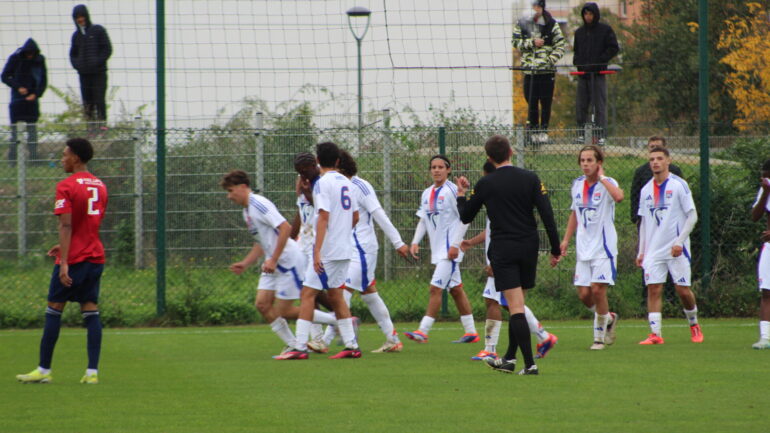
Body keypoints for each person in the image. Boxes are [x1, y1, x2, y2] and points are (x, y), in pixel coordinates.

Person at [457, 135, 561, 375]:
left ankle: (530, 365)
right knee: (519, 305)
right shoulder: (531, 178)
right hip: (529, 246)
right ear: (511, 152)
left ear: (490, 158)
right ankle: (510, 359)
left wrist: (462, 194)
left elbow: (465, 216)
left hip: (504, 249)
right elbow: (547, 214)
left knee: (515, 308)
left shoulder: (486, 183)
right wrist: (555, 249)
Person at [16, 138, 107, 384]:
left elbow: (66, 224)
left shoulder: (66, 185)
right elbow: (89, 223)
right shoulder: (100, 185)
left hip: (75, 258)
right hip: (95, 255)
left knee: (54, 308)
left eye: (65, 154)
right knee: (90, 308)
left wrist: (64, 260)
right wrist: (66, 245)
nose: (62, 158)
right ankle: (92, 373)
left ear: (76, 157)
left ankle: (44, 370)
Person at [221, 170, 337, 358]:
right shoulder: (246, 211)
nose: (229, 196)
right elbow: (261, 241)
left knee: (284, 310)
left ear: (243, 187)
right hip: (273, 264)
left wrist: (273, 259)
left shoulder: (259, 203)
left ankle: (337, 320)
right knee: (262, 305)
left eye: (231, 190)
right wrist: (246, 263)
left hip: (288, 261)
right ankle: (293, 344)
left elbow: (285, 227)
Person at [277, 142, 361, 360]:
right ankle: (351, 345)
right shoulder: (347, 183)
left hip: (328, 251)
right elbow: (355, 217)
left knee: (307, 294)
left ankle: (300, 346)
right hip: (344, 248)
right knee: (336, 296)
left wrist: (317, 252)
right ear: (338, 161)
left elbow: (323, 217)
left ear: (318, 161)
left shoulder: (322, 184)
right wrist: (341, 234)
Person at [336, 150, 410, 353]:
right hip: (347, 249)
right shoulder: (337, 186)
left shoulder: (360, 186)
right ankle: (393, 339)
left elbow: (379, 214)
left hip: (362, 249)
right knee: (369, 293)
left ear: (340, 166)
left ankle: (325, 341)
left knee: (342, 292)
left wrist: (398, 242)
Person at [404, 155, 477, 344]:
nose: (436, 170)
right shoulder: (426, 192)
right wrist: (414, 241)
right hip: (438, 250)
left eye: (440, 167)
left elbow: (465, 218)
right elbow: (423, 219)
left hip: (450, 251)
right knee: (456, 290)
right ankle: (471, 332)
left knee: (435, 288)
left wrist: (455, 245)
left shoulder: (453, 191)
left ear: (448, 170)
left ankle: (423, 330)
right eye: (433, 167)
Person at [636, 146, 702, 345]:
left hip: (676, 248)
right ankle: (655, 334)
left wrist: (679, 242)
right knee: (654, 289)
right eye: (652, 159)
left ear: (668, 161)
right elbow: (644, 222)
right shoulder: (646, 190)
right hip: (654, 250)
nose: (655, 162)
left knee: (683, 290)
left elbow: (692, 215)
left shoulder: (679, 185)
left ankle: (694, 324)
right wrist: (641, 251)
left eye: (659, 158)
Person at [560, 145, 623, 350]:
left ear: (599, 163)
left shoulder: (608, 183)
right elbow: (574, 214)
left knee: (597, 290)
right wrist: (566, 240)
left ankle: (598, 337)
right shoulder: (577, 184)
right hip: (583, 248)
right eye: (583, 160)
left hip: (603, 248)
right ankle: (608, 318)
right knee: (584, 295)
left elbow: (619, 197)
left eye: (590, 160)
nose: (585, 164)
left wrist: (603, 178)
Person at [630, 137, 684, 305]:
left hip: (670, 227)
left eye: (658, 149)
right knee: (647, 260)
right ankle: (646, 299)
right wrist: (638, 219)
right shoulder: (641, 172)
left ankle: (671, 298)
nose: (655, 161)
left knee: (672, 262)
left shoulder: (675, 173)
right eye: (651, 149)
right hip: (650, 224)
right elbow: (635, 196)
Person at [512, 0, 566, 145]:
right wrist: (531, 42)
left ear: (542, 8)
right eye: (533, 7)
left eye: (538, 7)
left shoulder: (551, 24)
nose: (536, 10)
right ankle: (533, 132)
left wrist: (549, 60)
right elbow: (515, 42)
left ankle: (543, 131)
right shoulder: (522, 23)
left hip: (547, 72)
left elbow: (561, 46)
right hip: (530, 71)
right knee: (532, 102)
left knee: (546, 102)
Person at [573, 2, 619, 145]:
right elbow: (577, 51)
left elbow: (613, 48)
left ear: (595, 15)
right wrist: (578, 63)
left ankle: (600, 135)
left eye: (590, 14)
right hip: (583, 75)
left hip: (598, 74)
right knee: (581, 105)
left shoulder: (605, 30)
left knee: (599, 105)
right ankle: (581, 133)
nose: (588, 17)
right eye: (585, 14)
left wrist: (600, 61)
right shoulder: (579, 32)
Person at [2, 38, 46, 165]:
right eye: (28, 53)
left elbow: (43, 80)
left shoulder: (40, 60)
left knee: (32, 132)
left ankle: (33, 159)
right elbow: (5, 76)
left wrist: (36, 94)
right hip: (17, 101)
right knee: (15, 132)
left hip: (32, 102)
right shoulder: (15, 58)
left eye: (32, 53)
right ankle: (12, 160)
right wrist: (18, 87)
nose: (30, 56)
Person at [70, 5, 112, 126]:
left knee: (99, 99)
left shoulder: (98, 30)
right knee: (87, 102)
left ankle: (102, 126)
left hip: (99, 73)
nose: (80, 19)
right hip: (84, 75)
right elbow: (73, 55)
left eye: (82, 16)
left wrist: (97, 62)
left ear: (86, 16)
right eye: (77, 17)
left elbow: (107, 49)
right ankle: (90, 128)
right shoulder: (76, 36)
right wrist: (79, 66)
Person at [750, 159, 770, 349]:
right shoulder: (765, 190)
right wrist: (765, 192)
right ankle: (765, 337)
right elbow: (755, 216)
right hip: (769, 248)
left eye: (766, 173)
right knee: (767, 291)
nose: (763, 177)